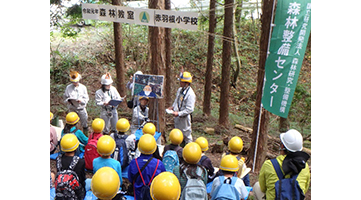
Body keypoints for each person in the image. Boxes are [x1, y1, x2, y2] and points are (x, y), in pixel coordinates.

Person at [253, 129, 311, 200]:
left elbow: (263, 188)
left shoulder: (269, 164)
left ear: (282, 146)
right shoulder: (304, 167)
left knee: (257, 186)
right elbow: (304, 190)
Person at [128, 134, 166, 200]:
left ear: (139, 147)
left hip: (138, 195)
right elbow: (163, 180)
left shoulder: (134, 163)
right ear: (154, 148)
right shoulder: (158, 164)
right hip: (153, 195)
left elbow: (130, 179)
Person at [167, 71, 196, 145]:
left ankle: (190, 149)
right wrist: (172, 107)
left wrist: (179, 113)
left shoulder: (190, 94)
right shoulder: (180, 90)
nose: (180, 83)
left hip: (184, 119)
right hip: (177, 118)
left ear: (186, 83)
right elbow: (177, 100)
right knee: (177, 134)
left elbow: (189, 109)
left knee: (187, 136)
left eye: (182, 82)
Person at [55, 134, 86, 200]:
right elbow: (82, 180)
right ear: (76, 147)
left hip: (60, 194)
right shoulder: (81, 162)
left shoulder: (58, 159)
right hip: (75, 195)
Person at [93, 135, 123, 199]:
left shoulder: (95, 161)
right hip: (113, 191)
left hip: (99, 190)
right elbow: (120, 181)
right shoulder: (116, 164)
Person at [63, 71, 89, 135]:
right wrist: (68, 100)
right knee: (72, 124)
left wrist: (81, 101)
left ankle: (85, 136)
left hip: (81, 108)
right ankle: (73, 136)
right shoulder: (68, 88)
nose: (75, 83)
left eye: (76, 81)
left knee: (84, 123)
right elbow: (65, 97)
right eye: (74, 82)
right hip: (72, 108)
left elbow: (86, 99)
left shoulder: (83, 87)